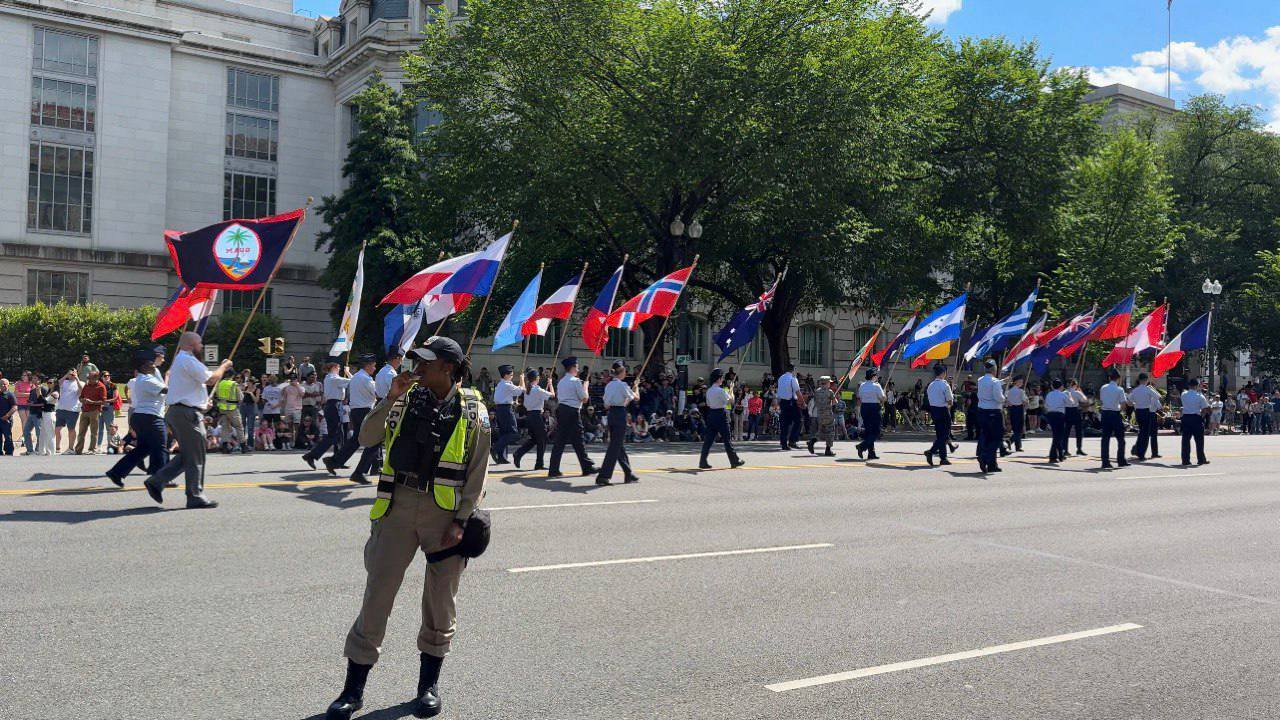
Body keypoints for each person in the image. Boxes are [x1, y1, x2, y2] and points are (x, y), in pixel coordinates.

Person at [323, 337, 490, 720]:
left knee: (439, 602)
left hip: (444, 517)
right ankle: (353, 690)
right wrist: (391, 397)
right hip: (397, 508)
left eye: (425, 363)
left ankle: (427, 687)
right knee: (377, 595)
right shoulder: (404, 396)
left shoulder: (472, 408)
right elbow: (366, 437)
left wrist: (463, 521)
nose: (416, 368)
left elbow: (479, 470)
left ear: (447, 367)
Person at [142, 332, 234, 509]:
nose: (202, 346)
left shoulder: (183, 360)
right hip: (186, 414)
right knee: (196, 455)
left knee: (190, 454)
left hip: (183, 412)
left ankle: (156, 481)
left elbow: (190, 388)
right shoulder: (187, 359)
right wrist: (224, 366)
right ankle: (195, 495)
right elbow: (211, 379)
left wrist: (201, 403)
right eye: (200, 343)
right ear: (191, 345)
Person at [107, 350, 168, 487]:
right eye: (150, 364)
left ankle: (116, 472)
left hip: (142, 417)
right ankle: (158, 478)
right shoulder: (146, 379)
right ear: (143, 367)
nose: (154, 366)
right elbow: (167, 390)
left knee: (144, 448)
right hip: (150, 417)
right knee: (160, 447)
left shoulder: (148, 377)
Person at [326, 355, 381, 483]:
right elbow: (378, 393)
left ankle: (334, 461)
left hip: (357, 411)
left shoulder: (357, 377)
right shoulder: (366, 379)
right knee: (374, 441)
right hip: (365, 412)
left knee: (356, 440)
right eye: (373, 365)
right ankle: (359, 472)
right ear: (367, 365)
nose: (374, 368)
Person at [548, 357, 596, 479]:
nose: (578, 369)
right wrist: (585, 386)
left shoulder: (561, 381)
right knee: (578, 440)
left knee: (560, 441)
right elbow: (584, 398)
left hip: (562, 410)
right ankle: (587, 467)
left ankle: (554, 469)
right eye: (577, 367)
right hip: (572, 411)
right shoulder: (575, 381)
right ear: (573, 368)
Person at [596, 360, 640, 485]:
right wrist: (636, 387)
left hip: (612, 414)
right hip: (620, 414)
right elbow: (636, 398)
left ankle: (628, 473)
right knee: (615, 447)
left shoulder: (609, 385)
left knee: (618, 445)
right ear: (622, 372)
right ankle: (603, 476)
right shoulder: (622, 385)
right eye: (625, 371)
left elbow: (606, 404)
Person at [303, 362, 351, 470]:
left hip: (336, 405)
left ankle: (338, 460)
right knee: (333, 436)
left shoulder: (333, 378)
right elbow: (354, 382)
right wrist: (348, 373)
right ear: (333, 368)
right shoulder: (333, 378)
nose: (339, 369)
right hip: (334, 405)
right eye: (338, 367)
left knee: (340, 435)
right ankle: (311, 456)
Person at [699, 367, 744, 469]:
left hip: (711, 415)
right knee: (727, 439)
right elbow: (731, 400)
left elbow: (708, 404)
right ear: (718, 379)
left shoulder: (709, 391)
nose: (722, 379)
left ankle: (702, 461)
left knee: (709, 440)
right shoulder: (720, 390)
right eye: (721, 378)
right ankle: (734, 460)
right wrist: (731, 389)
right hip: (721, 415)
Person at [513, 368, 553, 470]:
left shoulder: (528, 390)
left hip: (530, 416)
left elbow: (542, 397)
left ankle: (518, 453)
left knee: (535, 439)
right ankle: (539, 463)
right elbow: (553, 395)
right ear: (537, 378)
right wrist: (551, 384)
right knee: (542, 439)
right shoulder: (537, 389)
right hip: (536, 416)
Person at [975, 360, 1005, 473]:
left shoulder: (980, 380)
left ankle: (991, 463)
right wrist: (1004, 398)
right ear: (994, 370)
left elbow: (989, 385)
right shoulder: (995, 382)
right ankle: (986, 457)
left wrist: (1001, 382)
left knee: (986, 434)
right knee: (996, 438)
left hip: (982, 411)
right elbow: (998, 397)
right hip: (994, 411)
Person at [490, 365, 523, 464]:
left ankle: (501, 457)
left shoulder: (501, 384)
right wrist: (522, 379)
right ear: (505, 375)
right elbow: (520, 391)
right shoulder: (506, 385)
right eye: (511, 374)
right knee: (514, 434)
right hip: (506, 410)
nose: (512, 376)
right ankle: (495, 448)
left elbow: (507, 395)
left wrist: (513, 402)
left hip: (501, 409)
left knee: (504, 434)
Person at [1098, 368, 1129, 469]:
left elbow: (1101, 401)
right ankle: (1121, 460)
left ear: (1109, 378)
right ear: (1118, 379)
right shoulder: (1119, 389)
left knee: (1105, 439)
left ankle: (1105, 461)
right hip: (1115, 414)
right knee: (1121, 439)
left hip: (1105, 413)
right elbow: (1123, 405)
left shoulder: (1103, 387)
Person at [924, 364, 954, 467]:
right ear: (943, 373)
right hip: (943, 410)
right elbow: (950, 401)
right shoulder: (945, 385)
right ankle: (931, 451)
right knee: (945, 435)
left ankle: (943, 458)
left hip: (934, 411)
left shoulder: (930, 385)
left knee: (940, 435)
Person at [854, 368, 886, 460]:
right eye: (875, 375)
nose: (876, 377)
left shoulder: (862, 385)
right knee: (876, 431)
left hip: (864, 407)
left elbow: (859, 396)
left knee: (869, 431)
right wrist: (884, 393)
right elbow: (883, 398)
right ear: (873, 376)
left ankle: (871, 453)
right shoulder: (876, 386)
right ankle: (862, 446)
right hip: (874, 408)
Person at [1129, 373, 1162, 461]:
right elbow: (1159, 396)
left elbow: (1129, 401)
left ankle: (1137, 450)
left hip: (1138, 412)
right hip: (1146, 411)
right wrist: (1151, 389)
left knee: (1141, 432)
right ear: (1146, 380)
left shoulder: (1135, 390)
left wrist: (1136, 404)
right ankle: (1141, 453)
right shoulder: (1148, 389)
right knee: (1145, 434)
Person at [213, 365, 245, 454]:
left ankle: (225, 447)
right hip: (232, 408)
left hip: (222, 409)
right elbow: (241, 398)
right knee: (239, 427)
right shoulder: (234, 384)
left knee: (225, 428)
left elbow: (216, 396)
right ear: (233, 375)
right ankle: (243, 446)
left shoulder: (220, 384)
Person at [74, 371, 107, 455]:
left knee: (93, 432)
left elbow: (103, 401)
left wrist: (92, 402)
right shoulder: (87, 385)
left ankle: (92, 449)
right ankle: (78, 450)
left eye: (89, 378)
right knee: (81, 431)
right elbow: (81, 397)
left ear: (96, 378)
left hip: (95, 411)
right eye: (88, 378)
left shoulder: (101, 387)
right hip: (85, 410)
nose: (88, 379)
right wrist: (83, 400)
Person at [1180, 378, 1210, 466]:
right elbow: (1205, 409)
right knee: (1199, 441)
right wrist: (1202, 416)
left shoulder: (1183, 394)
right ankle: (1201, 459)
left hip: (1186, 418)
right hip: (1196, 418)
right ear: (1197, 386)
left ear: (1189, 385)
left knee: (1185, 440)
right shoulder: (1200, 396)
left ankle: (1185, 460)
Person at [806, 376, 838, 457]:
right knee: (830, 432)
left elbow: (816, 402)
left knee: (821, 431)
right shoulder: (830, 392)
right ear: (827, 383)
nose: (830, 384)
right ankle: (828, 450)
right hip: (828, 414)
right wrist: (833, 399)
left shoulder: (817, 391)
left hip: (819, 414)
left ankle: (812, 441)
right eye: (829, 383)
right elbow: (835, 403)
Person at [55, 369, 82, 454]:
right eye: (71, 373)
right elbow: (57, 384)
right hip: (61, 408)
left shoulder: (80, 383)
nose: (72, 374)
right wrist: (66, 375)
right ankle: (57, 447)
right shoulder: (64, 382)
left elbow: (81, 390)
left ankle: (70, 448)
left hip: (73, 410)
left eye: (74, 372)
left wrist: (77, 378)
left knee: (71, 429)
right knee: (57, 429)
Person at [776, 363, 801, 450]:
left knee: (784, 423)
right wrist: (803, 403)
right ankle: (792, 440)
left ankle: (784, 443)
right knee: (798, 421)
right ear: (793, 369)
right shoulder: (793, 379)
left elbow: (779, 392)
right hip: (791, 402)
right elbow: (798, 392)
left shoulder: (781, 378)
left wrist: (778, 404)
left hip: (783, 402)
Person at [1044, 379, 1069, 463]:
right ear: (1061, 386)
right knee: (1058, 436)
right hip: (1059, 415)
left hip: (1051, 415)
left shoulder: (1049, 394)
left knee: (1056, 435)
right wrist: (1069, 395)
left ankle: (1060, 454)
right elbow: (1070, 403)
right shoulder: (1063, 394)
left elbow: (1046, 405)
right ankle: (1053, 456)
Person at [1005, 375, 1026, 453]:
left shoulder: (1008, 391)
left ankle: (1018, 446)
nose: (1022, 383)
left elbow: (1006, 401)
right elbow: (1025, 401)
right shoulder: (1021, 391)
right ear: (1015, 382)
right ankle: (1009, 441)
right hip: (1019, 409)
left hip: (1011, 410)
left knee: (1015, 428)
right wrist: (1026, 402)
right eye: (1020, 382)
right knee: (1019, 429)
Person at [1065, 379, 1086, 456]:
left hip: (1067, 411)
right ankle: (1079, 449)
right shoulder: (1077, 392)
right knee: (1079, 432)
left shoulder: (1064, 392)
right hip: (1075, 411)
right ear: (1074, 385)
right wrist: (1081, 392)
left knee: (1066, 432)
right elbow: (1084, 400)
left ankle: (1065, 449)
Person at [0, 379, 16, 455]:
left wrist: (7, 416)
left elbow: (14, 407)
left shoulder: (10, 394)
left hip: (7, 420)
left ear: (8, 385)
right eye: (2, 384)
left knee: (8, 437)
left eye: (5, 384)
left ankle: (9, 452)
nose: (3, 385)